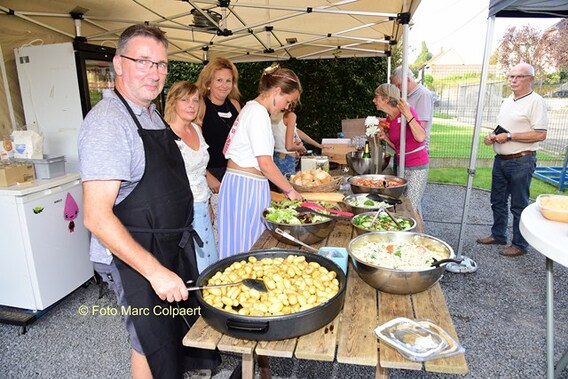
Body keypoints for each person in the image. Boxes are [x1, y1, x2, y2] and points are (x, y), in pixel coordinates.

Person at [78, 24, 219, 378]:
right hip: (132, 257)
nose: (154, 73)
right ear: (118, 64)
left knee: (172, 336)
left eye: (161, 64)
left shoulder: (151, 113)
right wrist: (155, 272)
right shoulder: (108, 124)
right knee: (150, 342)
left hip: (167, 245)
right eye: (143, 61)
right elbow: (96, 216)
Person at [218, 65, 303, 258]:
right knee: (249, 248)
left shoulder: (251, 109)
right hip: (245, 187)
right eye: (287, 101)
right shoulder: (258, 113)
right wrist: (290, 190)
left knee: (241, 246)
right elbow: (265, 163)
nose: (286, 107)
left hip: (242, 185)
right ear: (276, 91)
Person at [476, 62, 547, 257]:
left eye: (519, 76)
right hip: (501, 159)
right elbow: (503, 127)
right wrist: (492, 136)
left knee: (518, 204)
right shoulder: (508, 100)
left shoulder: (536, 101)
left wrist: (509, 137)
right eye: (511, 76)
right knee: (497, 200)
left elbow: (540, 134)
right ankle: (498, 234)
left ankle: (519, 244)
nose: (513, 80)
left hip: (521, 160)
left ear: (530, 79)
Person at [165, 81, 219, 273]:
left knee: (211, 261)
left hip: (202, 204)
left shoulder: (196, 129)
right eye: (185, 100)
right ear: (173, 102)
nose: (191, 105)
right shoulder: (166, 134)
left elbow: (201, 170)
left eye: (195, 101)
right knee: (195, 266)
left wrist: (208, 202)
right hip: (183, 211)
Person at [373, 83, 429, 215]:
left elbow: (421, 136)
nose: (374, 100)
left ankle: (418, 234)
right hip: (401, 163)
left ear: (386, 99)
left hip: (416, 165)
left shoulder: (405, 111)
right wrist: (385, 138)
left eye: (377, 97)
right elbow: (399, 146)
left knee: (411, 207)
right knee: (403, 204)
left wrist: (408, 114)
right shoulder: (389, 118)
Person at [196, 57, 242, 194]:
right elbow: (191, 148)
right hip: (210, 176)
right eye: (219, 80)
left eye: (228, 80)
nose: (224, 85)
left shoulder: (235, 105)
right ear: (208, 82)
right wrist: (207, 176)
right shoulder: (200, 106)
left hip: (234, 172)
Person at [390, 66, 434, 150]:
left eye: (399, 85)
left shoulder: (423, 95)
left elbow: (420, 127)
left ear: (408, 80)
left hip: (416, 152)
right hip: (403, 149)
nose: (398, 90)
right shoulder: (405, 95)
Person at [271, 107, 323, 176]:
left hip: (275, 157)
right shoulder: (290, 115)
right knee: (289, 185)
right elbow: (289, 147)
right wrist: (301, 148)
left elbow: (297, 131)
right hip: (287, 159)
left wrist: (318, 145)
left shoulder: (273, 115)